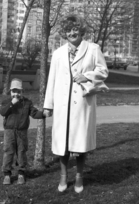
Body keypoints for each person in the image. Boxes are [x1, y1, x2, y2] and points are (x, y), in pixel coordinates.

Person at [43, 14, 109, 193]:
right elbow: (52, 80)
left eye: (75, 29)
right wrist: (48, 104)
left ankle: (79, 176)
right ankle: (63, 177)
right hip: (63, 106)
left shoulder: (93, 49)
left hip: (82, 104)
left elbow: (103, 71)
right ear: (64, 33)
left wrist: (86, 76)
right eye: (68, 30)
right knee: (62, 143)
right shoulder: (57, 53)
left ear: (81, 30)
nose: (72, 33)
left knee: (80, 144)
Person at [0, 78, 45, 185]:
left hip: (22, 132)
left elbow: (34, 114)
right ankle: (7, 174)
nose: (16, 94)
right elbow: (2, 112)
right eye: (14, 91)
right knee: (8, 152)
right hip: (9, 131)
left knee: (21, 152)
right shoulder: (6, 102)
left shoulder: (27, 103)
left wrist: (43, 114)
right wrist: (11, 104)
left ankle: (21, 173)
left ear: (22, 92)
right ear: (10, 92)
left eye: (18, 91)